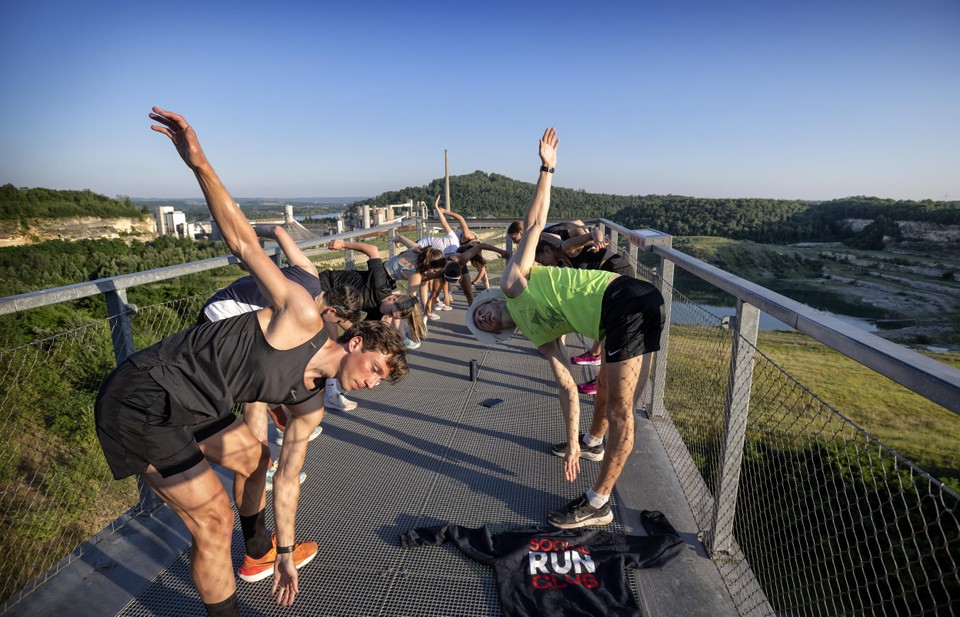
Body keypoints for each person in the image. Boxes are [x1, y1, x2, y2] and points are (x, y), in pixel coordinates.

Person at [95, 107, 409, 616]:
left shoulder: (310, 406)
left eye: (381, 382)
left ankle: (260, 552)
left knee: (256, 458)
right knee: (213, 522)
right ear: (355, 344)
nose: (373, 383)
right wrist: (198, 162)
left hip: (195, 405)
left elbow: (287, 482)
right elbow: (243, 242)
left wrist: (287, 554)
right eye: (376, 368)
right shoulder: (302, 316)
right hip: (144, 396)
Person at [465, 127, 665, 530]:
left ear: (490, 301)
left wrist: (546, 168)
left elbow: (535, 222)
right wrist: (572, 443)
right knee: (611, 398)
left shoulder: (513, 284)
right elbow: (567, 386)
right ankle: (593, 457)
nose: (482, 316)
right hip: (623, 312)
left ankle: (598, 502)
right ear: (495, 336)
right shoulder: (540, 340)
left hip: (624, 299)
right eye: (479, 324)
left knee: (621, 411)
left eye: (480, 311)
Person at [199, 225, 358, 468]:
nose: (333, 327)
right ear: (331, 311)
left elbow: (278, 230)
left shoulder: (310, 273)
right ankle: (263, 466)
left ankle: (280, 424)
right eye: (335, 322)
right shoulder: (302, 316)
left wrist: (251, 231)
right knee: (255, 391)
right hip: (222, 319)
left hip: (223, 300)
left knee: (267, 373)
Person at [320, 238, 425, 392]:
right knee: (334, 331)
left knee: (348, 333)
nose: (387, 315)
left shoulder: (379, 313)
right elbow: (372, 249)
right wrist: (343, 244)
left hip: (337, 306)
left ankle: (332, 383)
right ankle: (331, 388)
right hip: (326, 284)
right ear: (393, 298)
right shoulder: (380, 284)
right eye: (390, 311)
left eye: (392, 316)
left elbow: (359, 331)